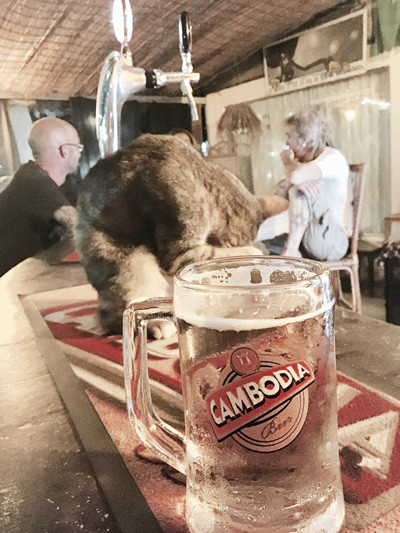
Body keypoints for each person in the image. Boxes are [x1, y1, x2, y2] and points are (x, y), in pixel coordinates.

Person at [0, 117, 82, 276]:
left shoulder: (63, 185)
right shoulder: (31, 181)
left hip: (23, 276)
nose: (80, 154)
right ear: (63, 151)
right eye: (78, 147)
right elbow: (79, 225)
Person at [271, 108, 349, 261]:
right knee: (263, 245)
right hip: (308, 237)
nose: (286, 142)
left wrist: (287, 162)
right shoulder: (304, 165)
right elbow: (285, 187)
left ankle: (291, 250)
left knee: (297, 191)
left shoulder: (333, 157)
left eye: (289, 136)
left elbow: (295, 176)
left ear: (304, 140)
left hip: (330, 241)